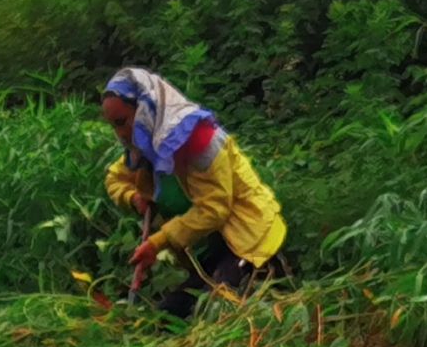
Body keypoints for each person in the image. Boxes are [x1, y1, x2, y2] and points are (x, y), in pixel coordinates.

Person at [96, 67, 286, 300]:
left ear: (145, 109)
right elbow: (115, 178)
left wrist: (158, 242)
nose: (120, 133)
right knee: (168, 315)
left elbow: (214, 209)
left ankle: (274, 272)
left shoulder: (200, 140)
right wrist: (132, 197)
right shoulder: (145, 148)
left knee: (215, 307)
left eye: (122, 121)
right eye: (113, 125)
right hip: (208, 249)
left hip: (247, 237)